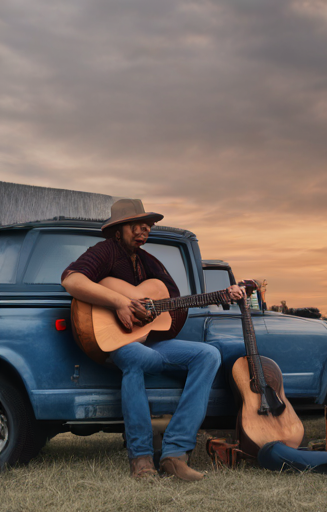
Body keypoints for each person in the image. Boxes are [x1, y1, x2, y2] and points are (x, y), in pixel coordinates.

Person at [61, 198, 245, 480]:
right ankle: (141, 459)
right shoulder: (104, 252)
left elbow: (172, 304)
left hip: (150, 341)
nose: (143, 230)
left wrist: (218, 296)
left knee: (208, 355)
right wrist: (119, 303)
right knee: (138, 357)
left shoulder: (149, 262)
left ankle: (175, 454)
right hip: (119, 343)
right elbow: (71, 280)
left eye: (146, 226)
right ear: (119, 229)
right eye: (136, 225)